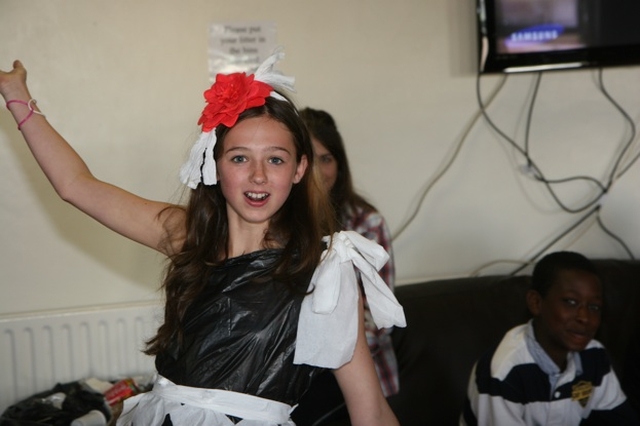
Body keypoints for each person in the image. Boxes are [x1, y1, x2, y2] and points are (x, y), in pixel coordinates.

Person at [0, 51, 406, 426]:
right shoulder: (186, 234)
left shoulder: (324, 269)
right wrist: (17, 94)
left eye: (276, 159)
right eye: (240, 157)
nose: (258, 176)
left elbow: (368, 405)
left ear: (299, 169)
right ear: (215, 165)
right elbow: (75, 185)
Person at [291, 108, 399, 425]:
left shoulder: (366, 224)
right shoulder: (278, 222)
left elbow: (380, 319)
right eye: (311, 158)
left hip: (360, 372)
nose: (319, 170)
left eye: (328, 158)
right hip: (296, 378)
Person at [460, 251, 639, 425]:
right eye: (570, 302)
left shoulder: (595, 356)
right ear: (536, 303)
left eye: (594, 307)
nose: (584, 317)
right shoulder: (504, 371)